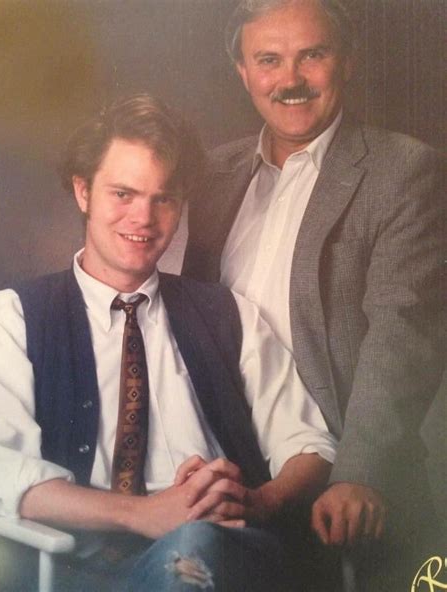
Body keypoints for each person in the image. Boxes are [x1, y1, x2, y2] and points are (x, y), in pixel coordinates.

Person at [0, 93, 337, 592]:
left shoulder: (230, 315)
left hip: (220, 553)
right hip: (75, 567)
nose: (143, 218)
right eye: (123, 194)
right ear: (83, 192)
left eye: (163, 198)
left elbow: (310, 444)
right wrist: (141, 514)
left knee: (196, 548)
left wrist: (256, 501)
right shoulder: (10, 318)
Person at [182, 0, 446, 588]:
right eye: (269, 59)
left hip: (342, 491)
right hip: (224, 476)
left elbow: (402, 334)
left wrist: (362, 472)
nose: (291, 80)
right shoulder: (211, 176)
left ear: (345, 63)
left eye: (313, 56)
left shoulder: (402, 171)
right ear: (244, 73)